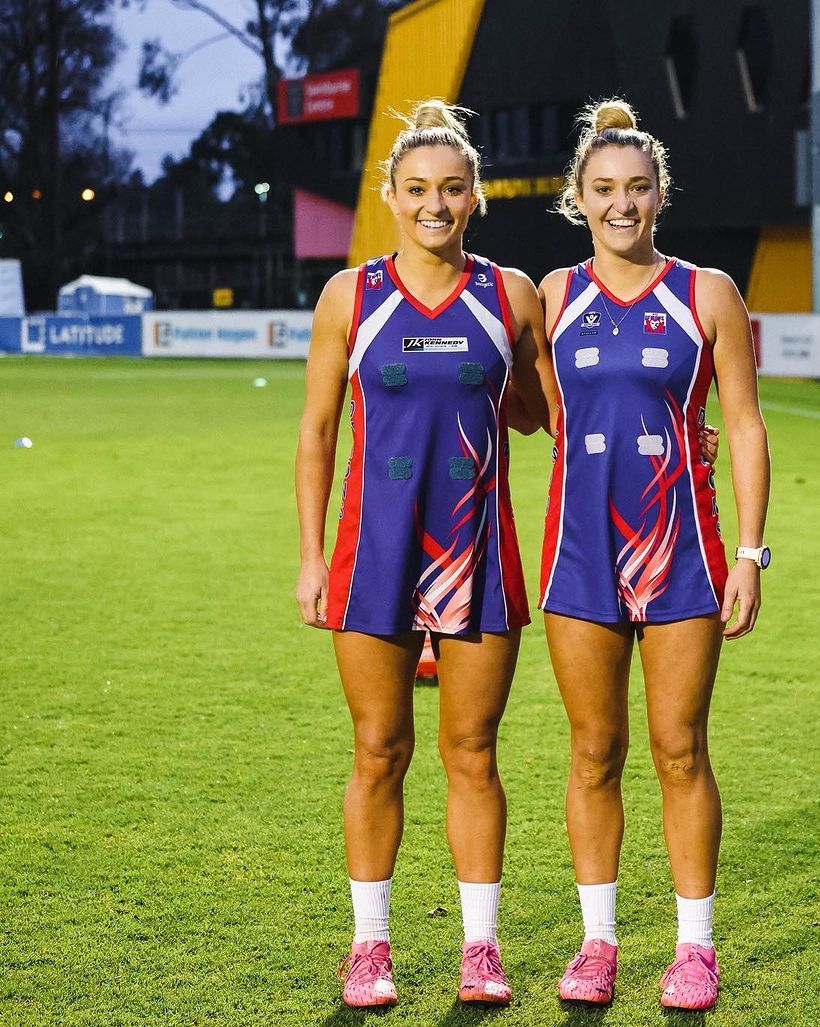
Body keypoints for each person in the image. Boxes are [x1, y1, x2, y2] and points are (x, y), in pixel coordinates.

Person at [294, 99, 550, 1009]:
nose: (434, 204)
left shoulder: (510, 294)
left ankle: (481, 948)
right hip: (374, 553)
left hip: (479, 550)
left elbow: (544, 415)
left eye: (450, 188)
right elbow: (317, 432)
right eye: (416, 189)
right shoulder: (349, 295)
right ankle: (369, 946)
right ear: (390, 196)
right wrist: (311, 557)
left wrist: (686, 433)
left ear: (475, 195)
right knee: (378, 748)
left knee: (473, 751)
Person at [536, 99, 771, 1011]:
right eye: (604, 189)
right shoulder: (551, 296)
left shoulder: (707, 292)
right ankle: (598, 942)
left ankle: (694, 948)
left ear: (659, 193)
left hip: (685, 552)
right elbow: (523, 406)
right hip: (579, 551)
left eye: (637, 187)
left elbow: (744, 426)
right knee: (594, 750)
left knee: (680, 749)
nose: (621, 204)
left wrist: (749, 553)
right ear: (579, 197)